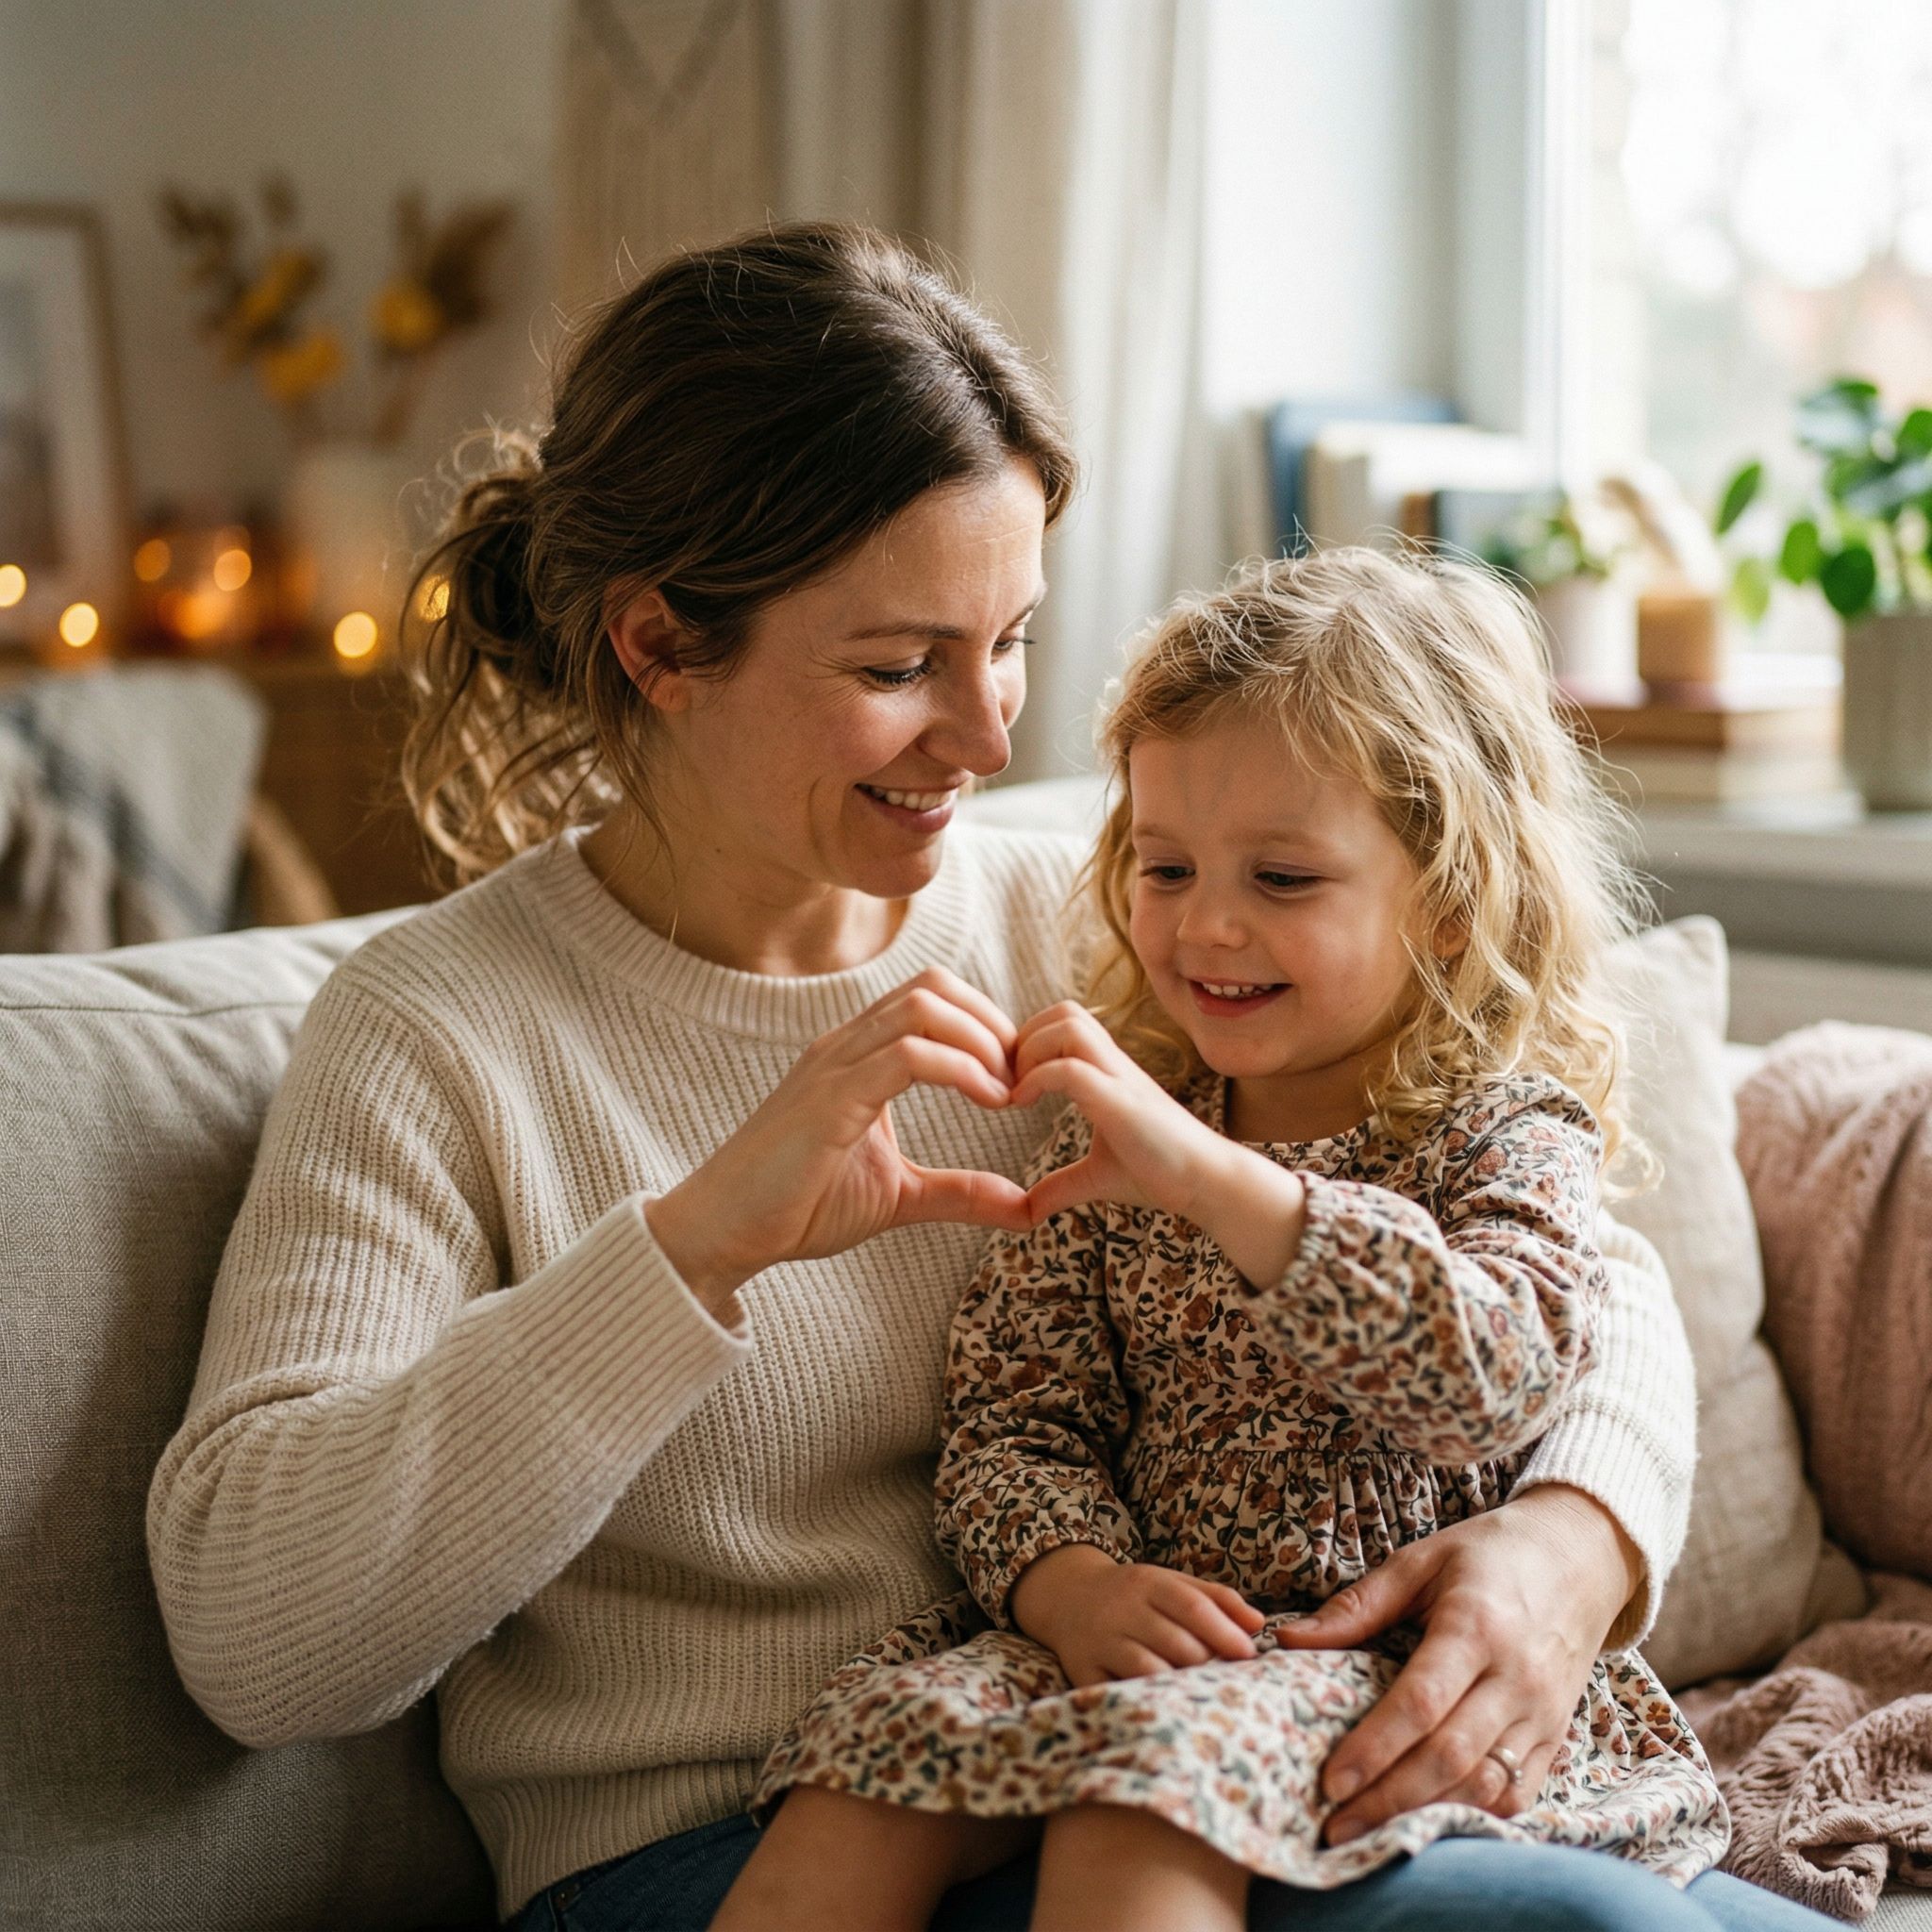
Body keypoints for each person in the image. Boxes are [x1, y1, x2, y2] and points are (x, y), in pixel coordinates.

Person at [143, 225, 1792, 1931]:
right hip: (736, 1847)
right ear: (657, 646)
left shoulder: (1105, 915)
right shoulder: (439, 1028)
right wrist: (691, 1247)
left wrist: (1570, 1545)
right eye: (896, 667)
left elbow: (1561, 1255)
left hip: (1182, 1744)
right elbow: (254, 1638)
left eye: (1009, 640)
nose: (994, 737)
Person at [721, 545, 1740, 1932]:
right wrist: (1071, 1584)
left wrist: (1214, 1181)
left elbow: (1491, 1373)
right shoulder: (1118, 1135)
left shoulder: (1502, 1134)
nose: (1205, 924)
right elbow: (1019, 1419)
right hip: (1142, 1640)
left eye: (1282, 877)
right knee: (865, 1772)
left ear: (1446, 901)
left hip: (1372, 1661)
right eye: (1166, 865)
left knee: (1137, 1810)